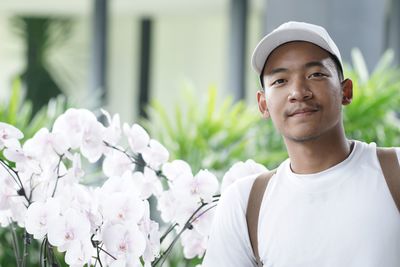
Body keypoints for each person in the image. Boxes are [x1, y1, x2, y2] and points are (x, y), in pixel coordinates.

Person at [202, 21, 400, 267]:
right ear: (263, 104)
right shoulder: (243, 204)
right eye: (280, 81)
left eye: (315, 74)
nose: (298, 91)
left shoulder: (394, 171)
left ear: (345, 91)